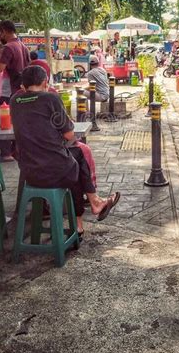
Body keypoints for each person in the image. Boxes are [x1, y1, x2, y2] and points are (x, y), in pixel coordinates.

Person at [10, 65, 120, 238]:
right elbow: (69, 134)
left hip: (29, 173)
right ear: (45, 82)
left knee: (72, 160)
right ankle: (92, 206)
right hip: (54, 170)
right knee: (76, 160)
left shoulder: (14, 101)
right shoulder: (49, 99)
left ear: (23, 85)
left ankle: (86, 216)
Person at [0, 20, 30, 161]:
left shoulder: (8, 47)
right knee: (16, 121)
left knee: (1, 121)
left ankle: (5, 153)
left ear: (4, 31)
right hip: (20, 90)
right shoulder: (22, 46)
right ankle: (15, 151)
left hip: (9, 91)